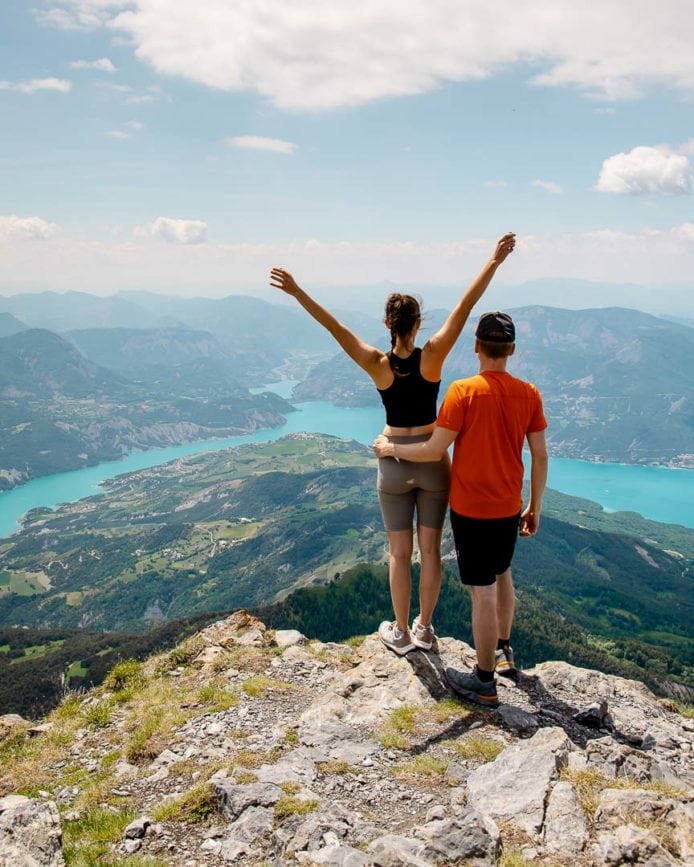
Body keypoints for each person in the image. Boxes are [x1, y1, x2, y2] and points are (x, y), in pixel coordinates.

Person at [269, 233, 515, 656]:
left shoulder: (376, 364)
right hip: (434, 461)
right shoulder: (433, 356)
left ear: (388, 325)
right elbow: (466, 307)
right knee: (431, 552)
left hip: (393, 463)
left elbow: (333, 327)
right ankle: (425, 628)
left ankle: (400, 632)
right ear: (419, 323)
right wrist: (493, 262)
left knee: (399, 554)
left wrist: (296, 292)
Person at [373, 310, 548, 706]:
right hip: (509, 504)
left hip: (471, 507)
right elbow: (539, 455)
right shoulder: (530, 394)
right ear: (512, 350)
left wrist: (390, 449)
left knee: (481, 591)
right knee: (503, 574)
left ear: (476, 348)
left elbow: (435, 449)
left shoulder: (463, 391)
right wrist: (535, 505)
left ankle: (484, 680)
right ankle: (504, 652)